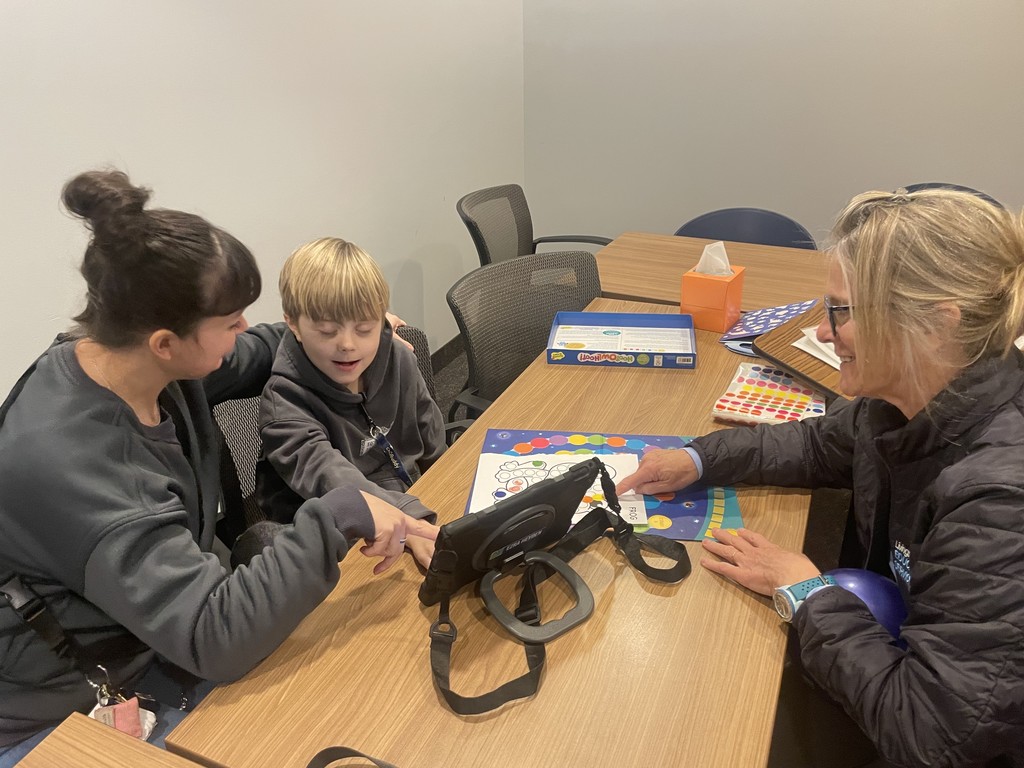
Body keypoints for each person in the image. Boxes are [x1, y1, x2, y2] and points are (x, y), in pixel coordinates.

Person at [0, 170, 437, 762]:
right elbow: (215, 636)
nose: (243, 331)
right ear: (165, 342)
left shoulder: (128, 357)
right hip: (71, 708)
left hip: (159, 636)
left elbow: (265, 345)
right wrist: (338, 513)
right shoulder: (75, 466)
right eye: (230, 322)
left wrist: (342, 325)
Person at [617, 189, 1024, 767]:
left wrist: (807, 592)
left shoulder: (999, 502)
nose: (825, 332)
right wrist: (697, 458)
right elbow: (813, 443)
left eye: (841, 311)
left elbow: (934, 737)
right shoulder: (906, 403)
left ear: (937, 325)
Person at [256, 237, 445, 568]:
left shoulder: (398, 359)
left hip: (411, 499)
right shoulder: (284, 402)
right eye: (327, 331)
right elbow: (331, 477)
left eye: (364, 329)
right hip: (338, 529)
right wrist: (407, 518)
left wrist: (449, 483)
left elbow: (431, 434)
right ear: (293, 324)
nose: (347, 344)